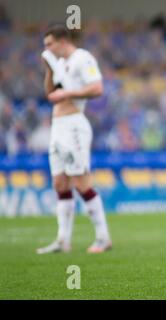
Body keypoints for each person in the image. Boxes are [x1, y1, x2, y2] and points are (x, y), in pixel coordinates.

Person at [36, 25, 112, 254]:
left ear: (61, 41)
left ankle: (102, 237)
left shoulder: (82, 58)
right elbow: (51, 94)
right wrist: (49, 69)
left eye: (49, 44)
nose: (47, 49)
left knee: (81, 182)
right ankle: (63, 239)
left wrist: (68, 93)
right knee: (60, 183)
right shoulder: (59, 64)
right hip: (57, 127)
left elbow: (97, 88)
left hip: (74, 126)